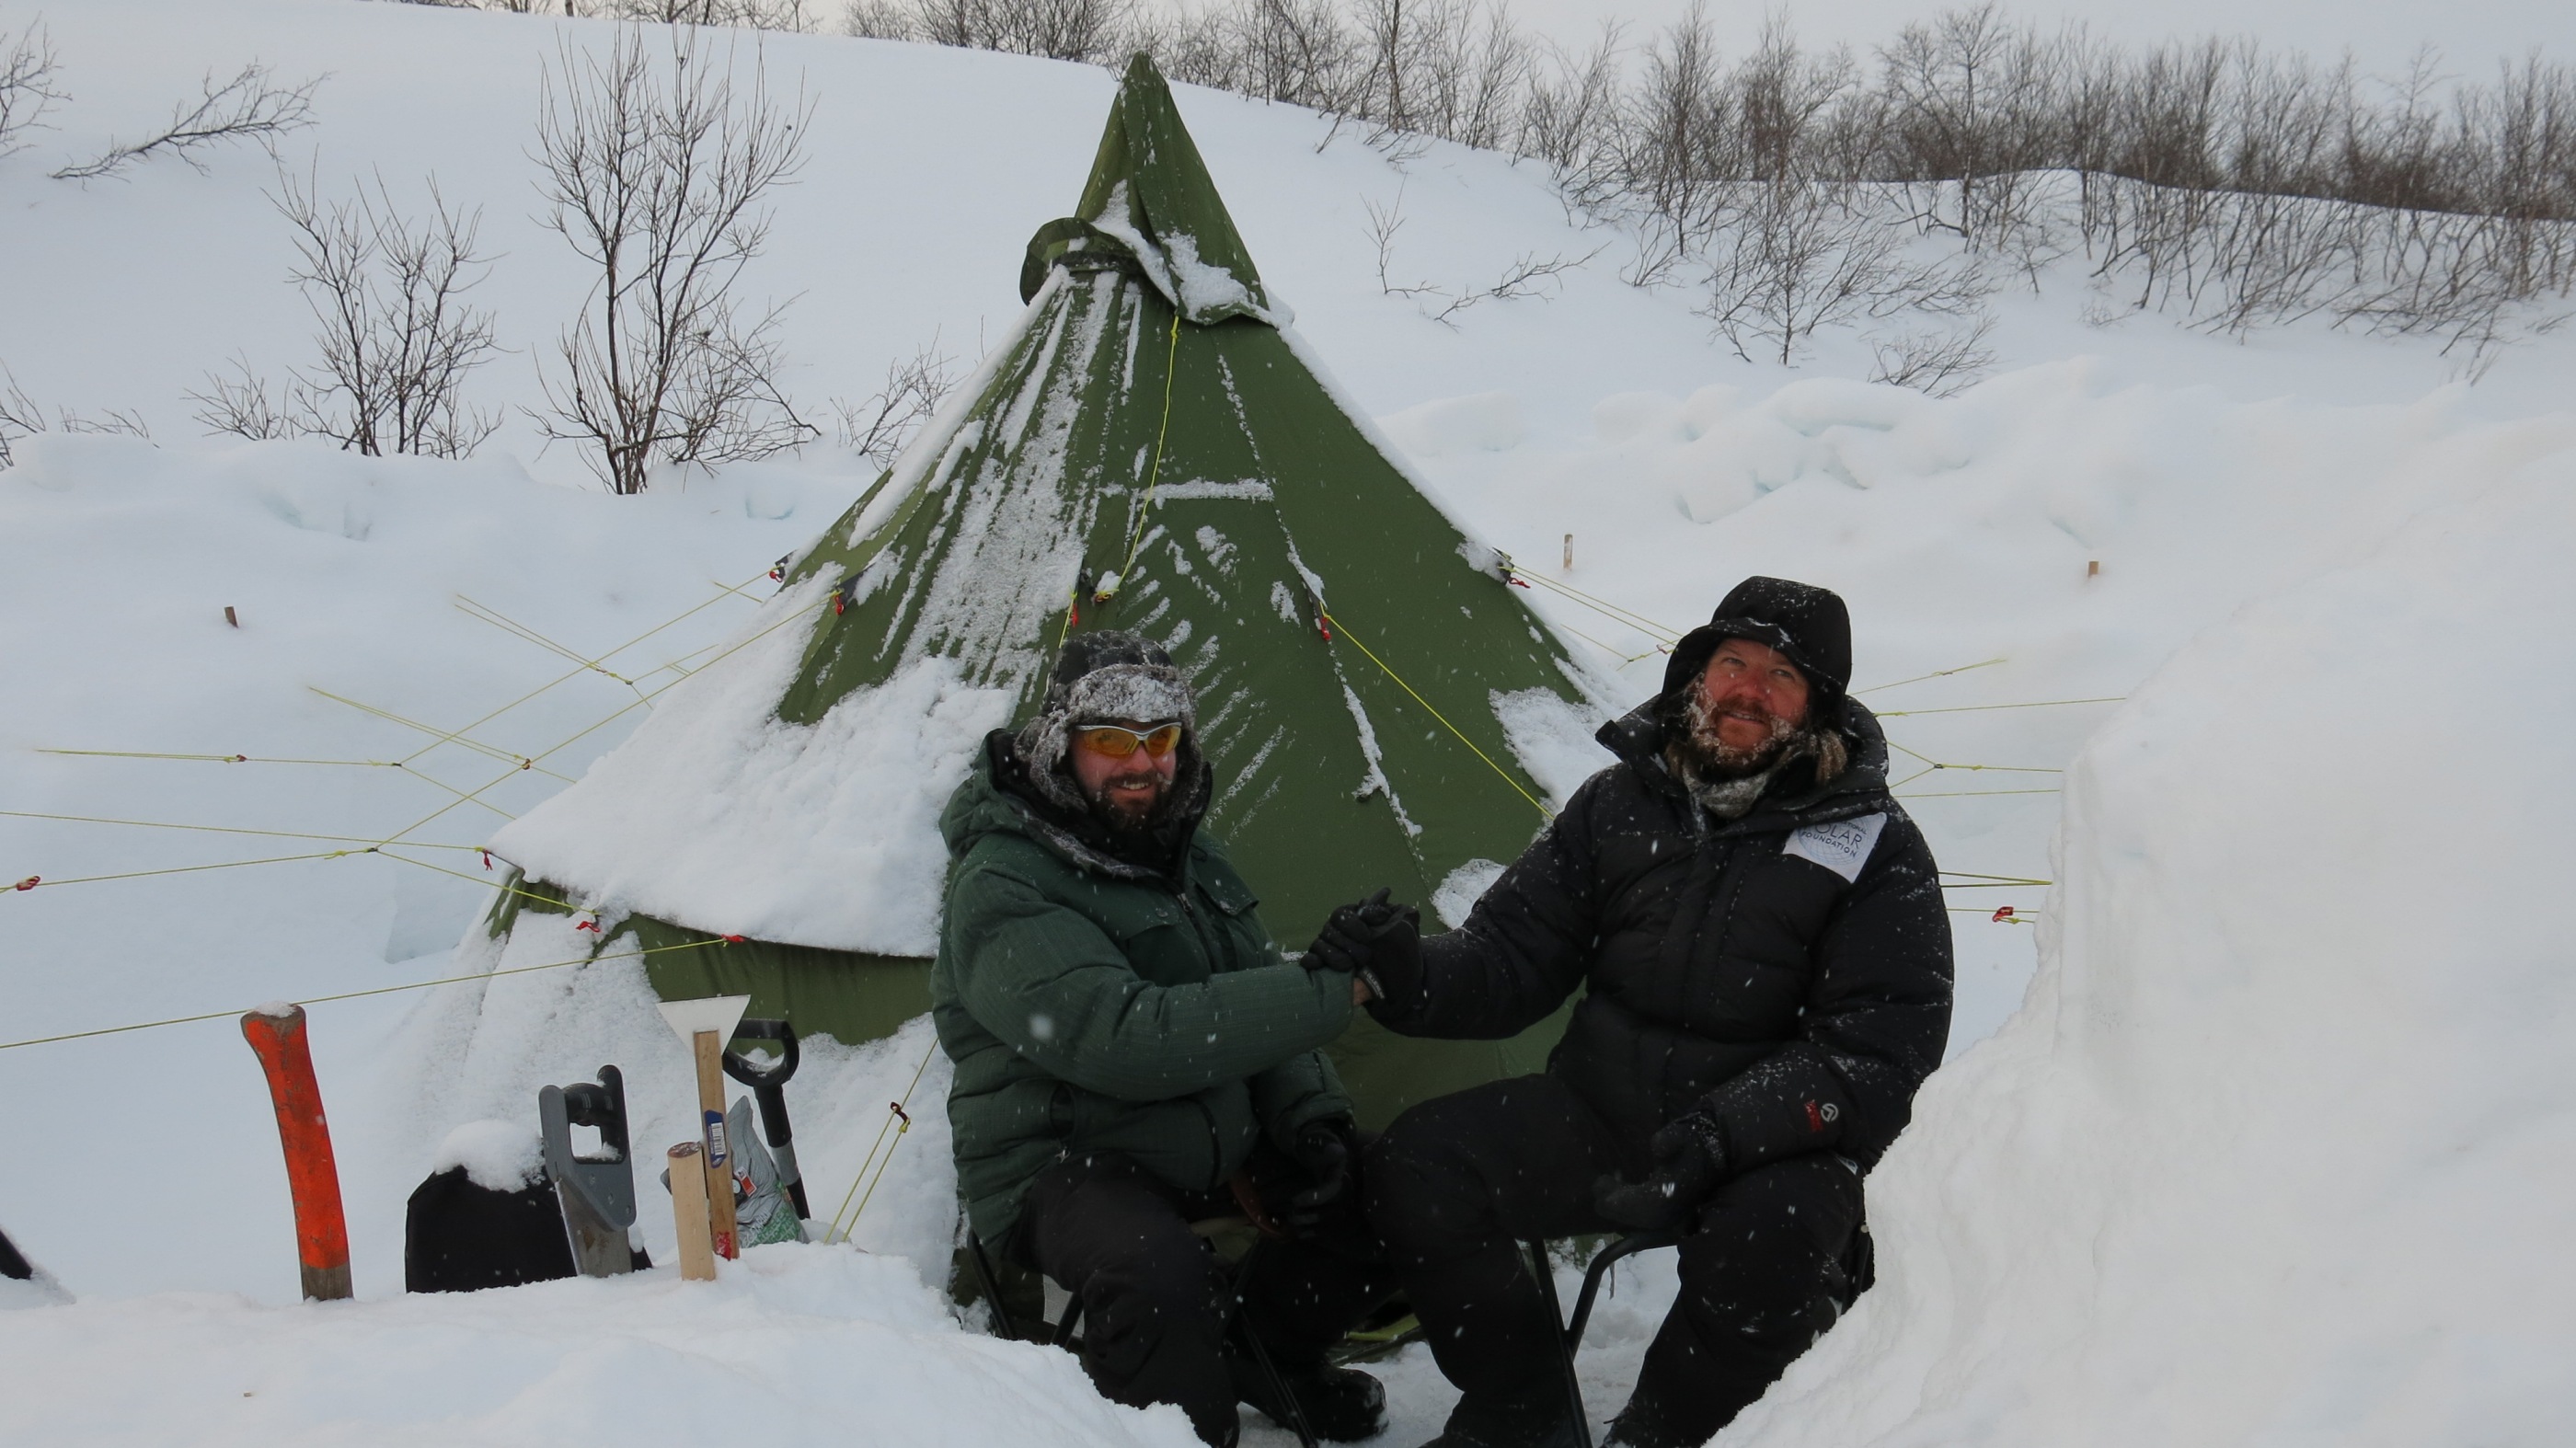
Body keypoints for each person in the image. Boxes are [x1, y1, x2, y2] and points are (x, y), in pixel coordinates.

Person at [1306, 577, 1955, 1448]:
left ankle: (1658, 1434)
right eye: (1733, 663)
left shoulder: (1876, 845)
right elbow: (1510, 958)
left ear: (1820, 709)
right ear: (1697, 675)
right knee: (1419, 1164)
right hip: (1604, 1116)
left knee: (1774, 1231)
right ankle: (1521, 1405)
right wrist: (1405, 974)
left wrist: (1728, 1132)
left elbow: (1883, 1051)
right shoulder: (1620, 802)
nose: (1748, 691)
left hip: (1773, 1151)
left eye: (1781, 676)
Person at [933, 631, 1392, 1447]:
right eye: (1112, 741)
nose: (1143, 766)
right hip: (1060, 1158)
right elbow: (1120, 1038)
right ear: (1060, 743)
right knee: (1157, 1273)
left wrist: (1309, 1121)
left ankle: (1271, 1357)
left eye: (1163, 740)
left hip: (1205, 1137)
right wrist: (1332, 990)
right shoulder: (1001, 878)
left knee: (1380, 1185)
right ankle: (1174, 1432)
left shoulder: (1184, 853)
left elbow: (1255, 1003)